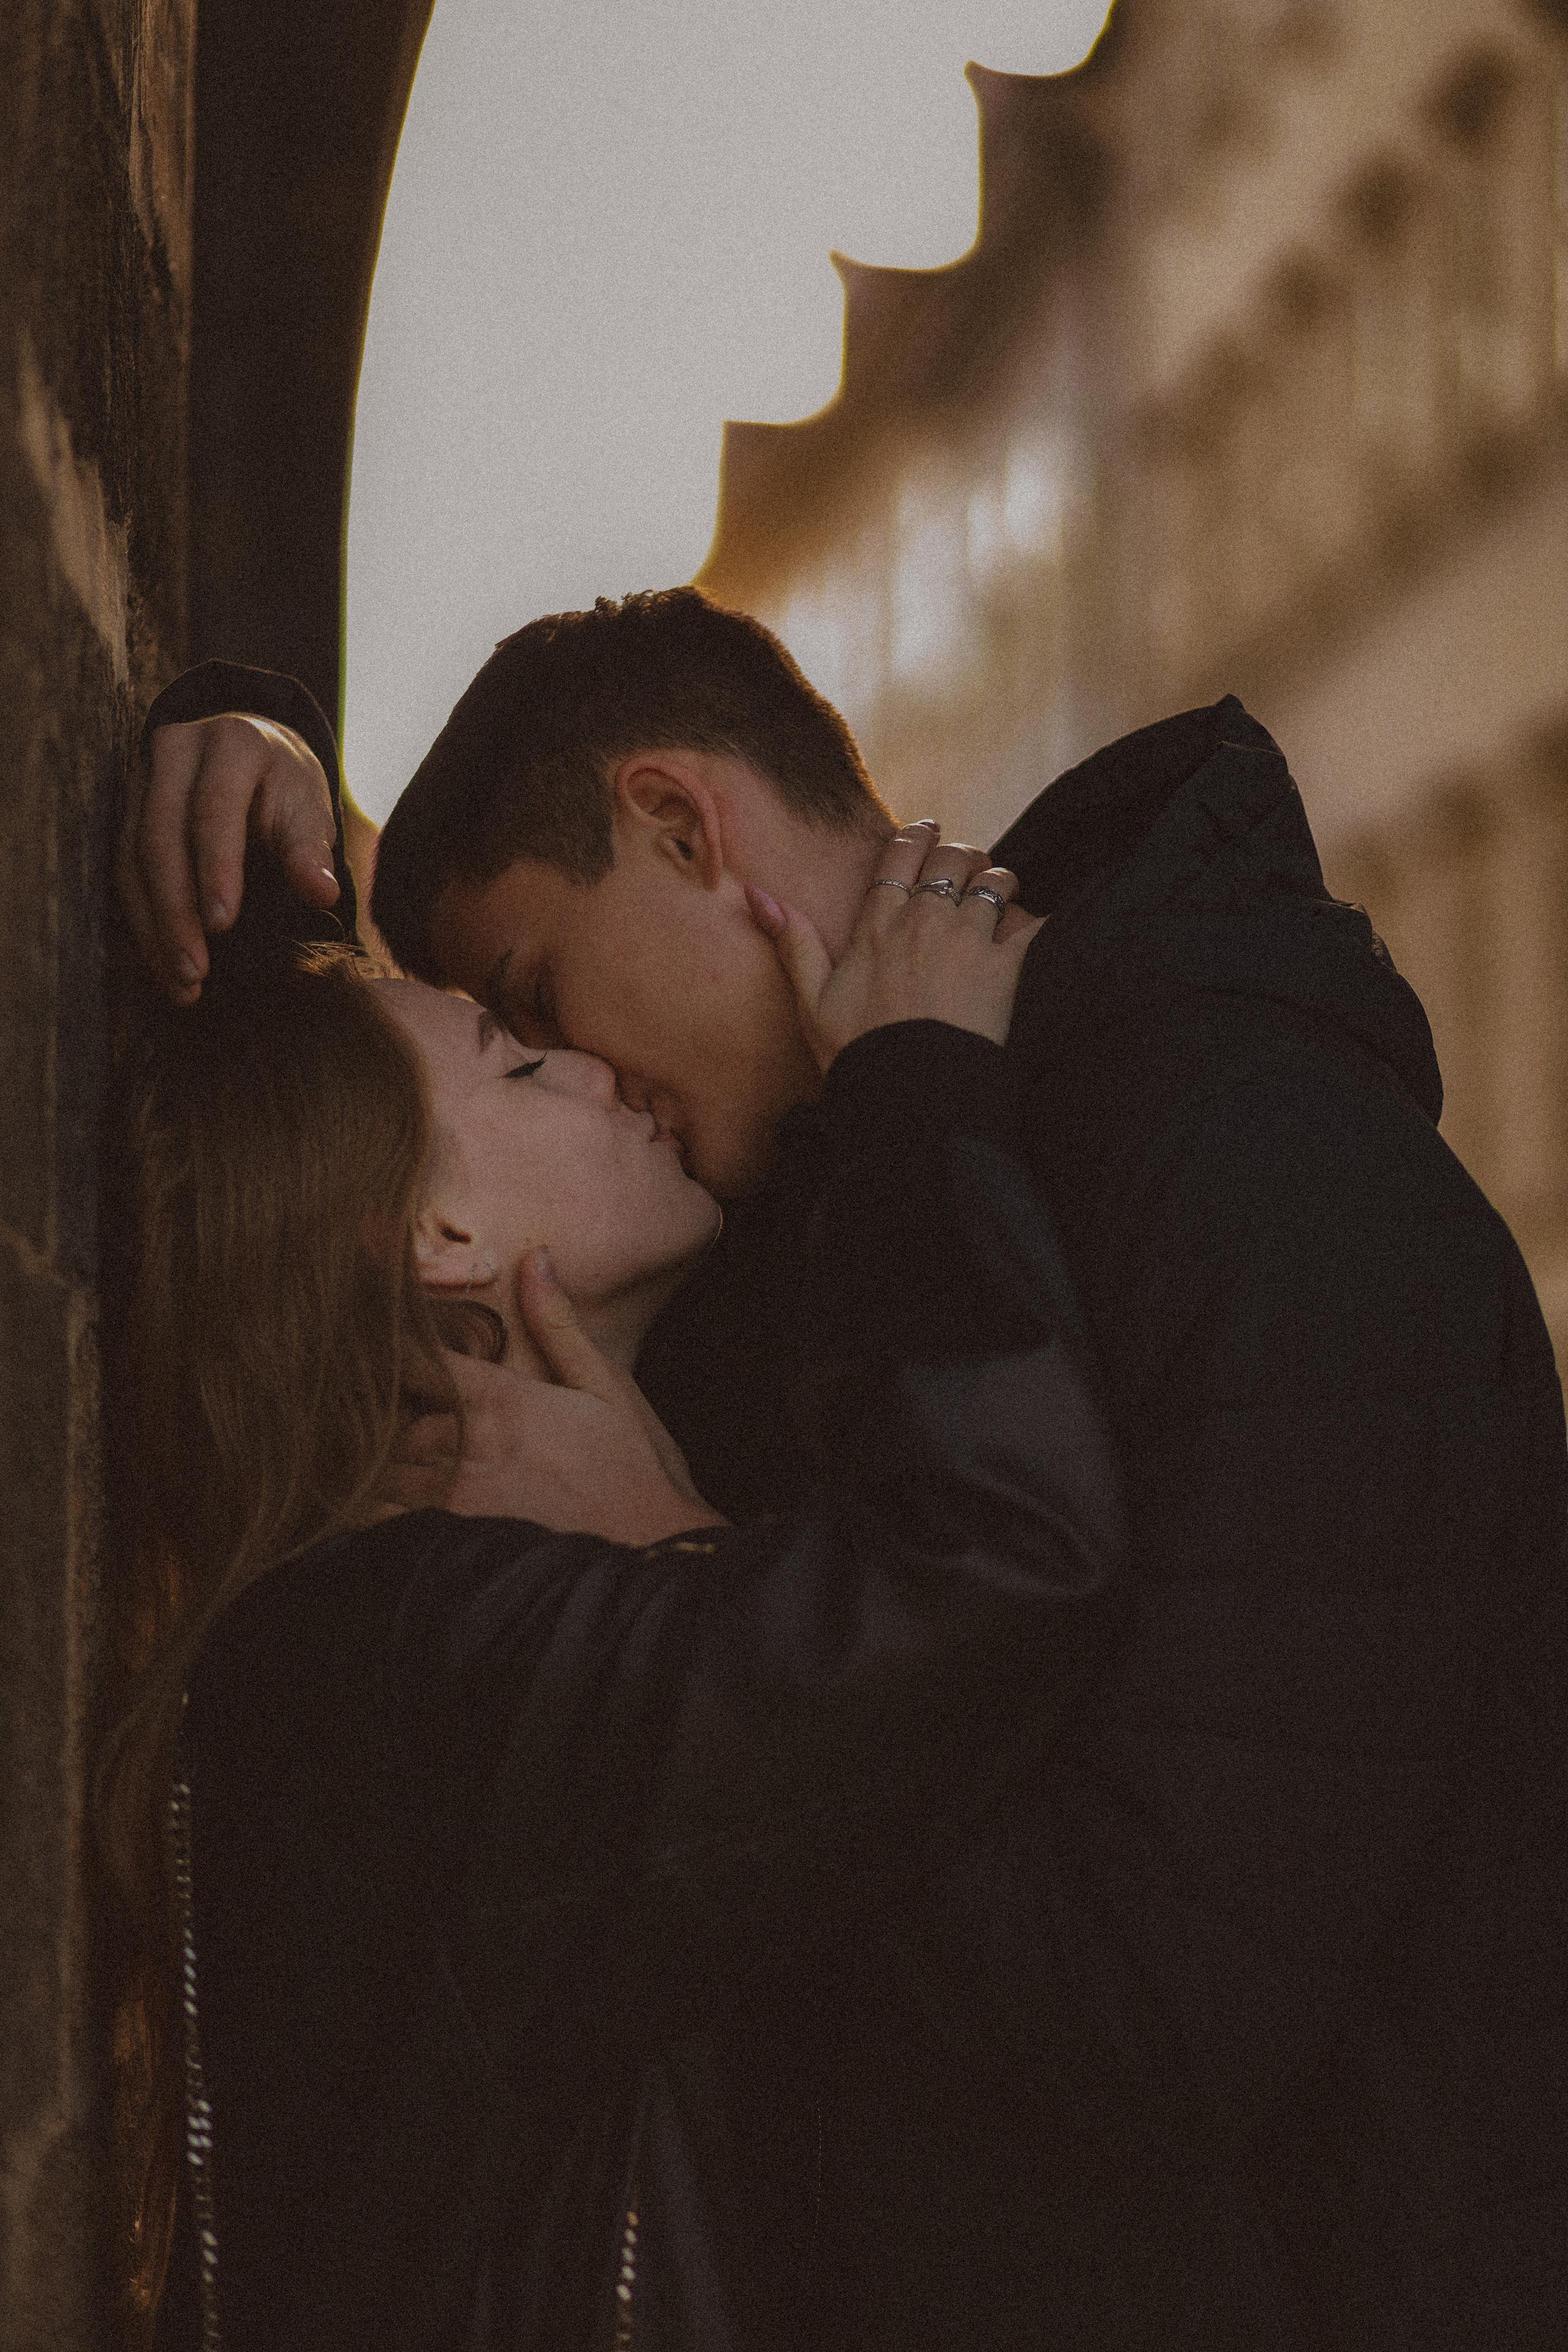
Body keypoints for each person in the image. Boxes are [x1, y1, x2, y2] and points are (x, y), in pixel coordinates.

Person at [123, 588, 1568, 2348]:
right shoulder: (814, 1205)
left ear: (680, 822)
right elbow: (324, 1170)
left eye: (532, 999)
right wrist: (244, 740)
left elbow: (1143, 1997)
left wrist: (693, 1560)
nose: (581, 1074)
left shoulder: (1263, 1185)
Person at [97, 881, 1125, 2350]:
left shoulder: (389, 1619)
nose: (591, 1063)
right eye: (518, 1065)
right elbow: (996, 1568)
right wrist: (920, 1084)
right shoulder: (418, 1648)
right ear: (433, 1231)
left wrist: (238, 715)